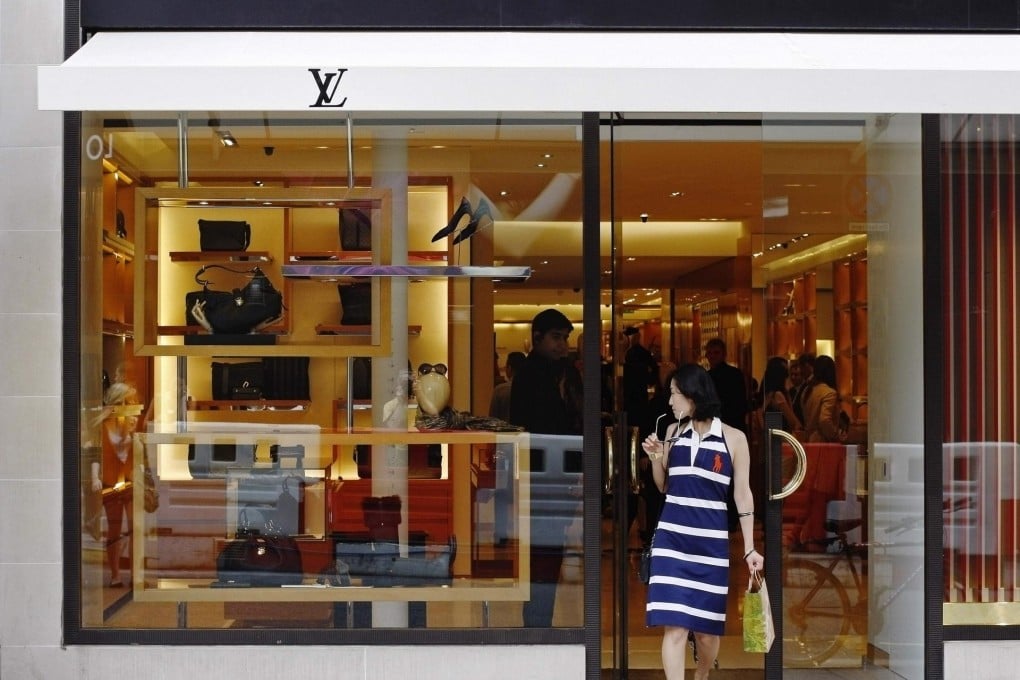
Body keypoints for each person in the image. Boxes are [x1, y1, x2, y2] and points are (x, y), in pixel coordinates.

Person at [642, 364, 763, 680]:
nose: (670, 402)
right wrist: (656, 457)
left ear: (693, 396)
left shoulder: (734, 439)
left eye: (674, 394)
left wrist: (750, 548)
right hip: (672, 540)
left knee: (707, 632)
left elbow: (743, 495)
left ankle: (702, 672)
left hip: (710, 545)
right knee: (675, 626)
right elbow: (664, 486)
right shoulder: (672, 433)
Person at [509, 308, 583, 627]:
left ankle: (540, 622)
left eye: (565, 338)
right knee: (542, 552)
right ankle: (538, 623)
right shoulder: (530, 374)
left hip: (558, 473)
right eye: (556, 338)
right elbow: (530, 427)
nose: (562, 344)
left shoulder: (566, 373)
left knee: (549, 551)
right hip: (540, 475)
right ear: (537, 338)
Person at [93, 381, 140, 587]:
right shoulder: (101, 428)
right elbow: (94, 454)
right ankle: (115, 574)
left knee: (135, 530)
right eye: (129, 401)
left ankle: (135, 574)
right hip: (110, 485)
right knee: (114, 530)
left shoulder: (130, 425)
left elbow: (135, 452)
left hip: (130, 484)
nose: (134, 406)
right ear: (118, 403)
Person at [704, 338, 749, 433]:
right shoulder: (705, 376)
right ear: (706, 355)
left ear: (724, 354)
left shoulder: (734, 374)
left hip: (730, 424)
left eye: (716, 353)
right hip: (719, 425)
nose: (712, 356)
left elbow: (740, 403)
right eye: (710, 353)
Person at [799, 355, 844, 443]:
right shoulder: (829, 393)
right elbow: (824, 420)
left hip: (809, 440)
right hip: (823, 443)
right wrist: (835, 434)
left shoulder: (807, 390)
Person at [622, 325, 658, 431]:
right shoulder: (637, 352)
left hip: (635, 393)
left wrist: (648, 380)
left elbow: (654, 369)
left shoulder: (636, 352)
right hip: (638, 393)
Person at [489, 351, 526, 422]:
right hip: (525, 432)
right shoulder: (532, 389)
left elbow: (492, 419)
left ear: (509, 368)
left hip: (504, 432)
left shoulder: (500, 390)